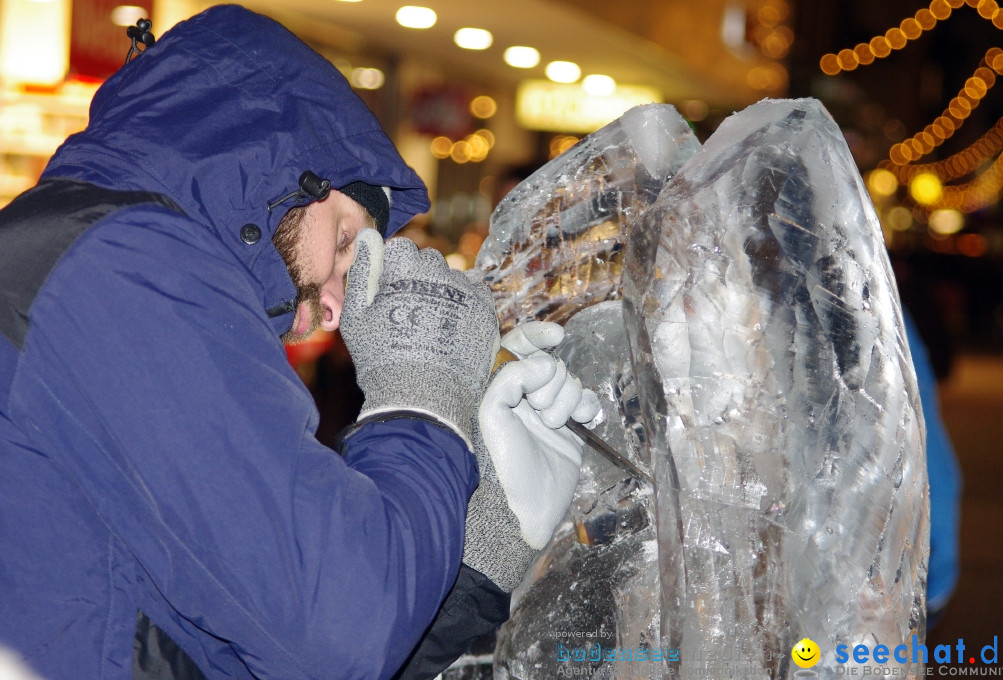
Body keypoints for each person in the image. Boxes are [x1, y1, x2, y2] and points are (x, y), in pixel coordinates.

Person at [0, 6, 597, 680]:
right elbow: (337, 632)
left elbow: (243, 649)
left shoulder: (109, 262)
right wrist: (423, 401)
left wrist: (479, 555)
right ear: (274, 167)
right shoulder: (116, 260)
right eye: (345, 241)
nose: (338, 308)